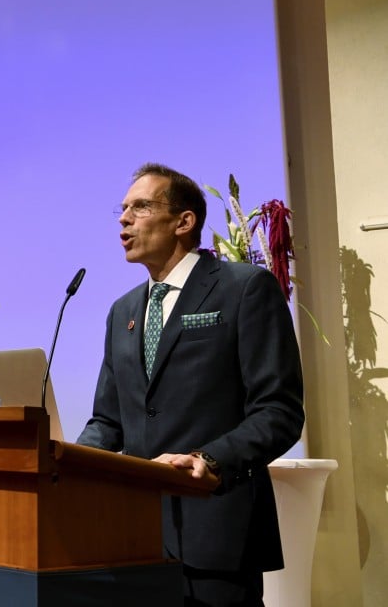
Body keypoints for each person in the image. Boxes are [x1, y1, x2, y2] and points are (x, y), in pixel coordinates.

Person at [76, 163, 305, 607]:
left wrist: (210, 459)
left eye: (140, 207)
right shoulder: (121, 311)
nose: (124, 219)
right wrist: (69, 465)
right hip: (135, 540)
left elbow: (279, 410)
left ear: (185, 221)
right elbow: (108, 421)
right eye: (122, 209)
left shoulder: (244, 289)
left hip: (218, 531)